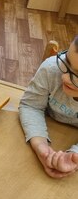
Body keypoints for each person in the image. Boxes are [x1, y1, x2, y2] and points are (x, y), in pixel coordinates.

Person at [19, 36, 78, 179]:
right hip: (48, 121)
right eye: (67, 61)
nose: (64, 77)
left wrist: (74, 156)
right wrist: (41, 146)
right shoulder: (52, 68)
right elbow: (31, 105)